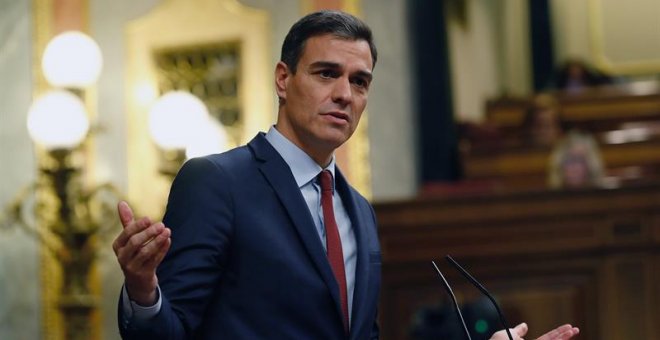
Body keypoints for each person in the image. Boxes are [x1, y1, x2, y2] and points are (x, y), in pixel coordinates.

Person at [113, 10, 580, 340]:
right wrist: (143, 289)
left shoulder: (358, 210)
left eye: (359, 81)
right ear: (283, 79)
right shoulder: (217, 182)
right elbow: (167, 332)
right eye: (326, 73)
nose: (344, 94)